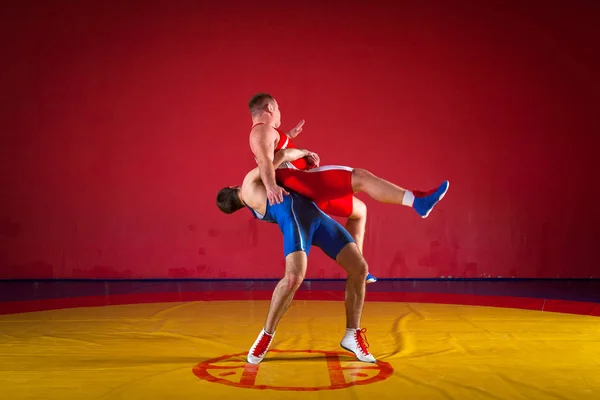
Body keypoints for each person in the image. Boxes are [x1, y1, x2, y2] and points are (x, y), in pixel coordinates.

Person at [216, 148, 378, 364]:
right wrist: (304, 152)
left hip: (314, 218)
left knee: (359, 269)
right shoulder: (248, 185)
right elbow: (281, 156)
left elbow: (288, 171)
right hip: (299, 223)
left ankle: (351, 335)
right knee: (293, 278)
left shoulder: (256, 203)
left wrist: (303, 164)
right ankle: (265, 335)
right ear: (232, 188)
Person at [247, 93, 449, 221]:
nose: (280, 112)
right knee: (360, 176)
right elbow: (266, 161)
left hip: (303, 184)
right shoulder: (261, 131)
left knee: (359, 211)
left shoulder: (269, 134)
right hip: (304, 182)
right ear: (270, 108)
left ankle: (358, 266)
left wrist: (290, 137)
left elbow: (275, 152)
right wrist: (272, 186)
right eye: (278, 107)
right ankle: (416, 201)